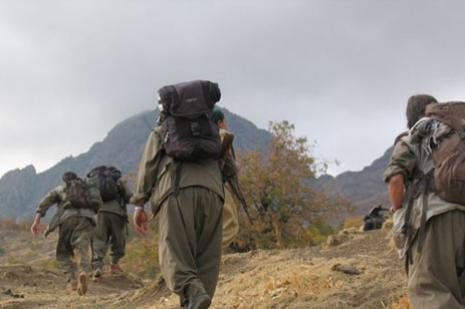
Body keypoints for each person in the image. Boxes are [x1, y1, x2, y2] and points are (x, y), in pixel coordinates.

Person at [131, 80, 224, 309]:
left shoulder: (163, 129)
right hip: (214, 194)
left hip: (177, 191)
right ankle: (197, 300)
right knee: (207, 259)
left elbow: (148, 166)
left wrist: (139, 204)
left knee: (173, 252)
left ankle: (193, 292)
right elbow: (229, 166)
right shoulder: (212, 129)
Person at [385, 94, 465, 308]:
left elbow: (395, 178)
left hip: (433, 222)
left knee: (430, 291)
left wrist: (399, 214)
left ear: (409, 118)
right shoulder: (456, 135)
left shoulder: (416, 135)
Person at [30, 171, 102, 295]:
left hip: (67, 218)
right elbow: (98, 204)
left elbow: (45, 203)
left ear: (64, 180)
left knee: (62, 253)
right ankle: (84, 271)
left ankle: (72, 280)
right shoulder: (86, 187)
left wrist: (36, 221)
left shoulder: (61, 188)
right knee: (82, 247)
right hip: (87, 218)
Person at [90, 166, 133, 280]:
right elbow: (128, 196)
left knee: (99, 239)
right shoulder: (117, 179)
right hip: (116, 212)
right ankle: (114, 264)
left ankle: (97, 267)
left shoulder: (95, 181)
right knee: (118, 238)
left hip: (99, 212)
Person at [211, 108, 241, 248]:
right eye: (224, 121)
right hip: (214, 184)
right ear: (220, 122)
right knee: (231, 224)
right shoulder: (221, 135)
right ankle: (208, 253)